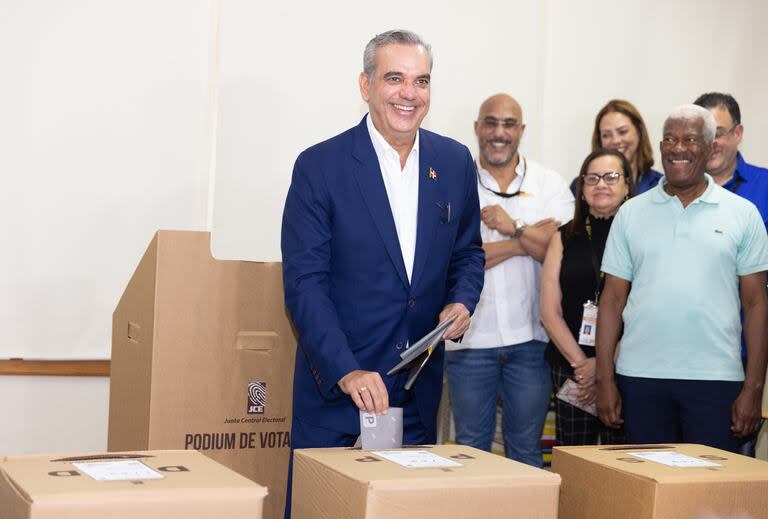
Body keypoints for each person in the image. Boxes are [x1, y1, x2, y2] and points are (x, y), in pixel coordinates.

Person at [281, 27, 484, 467]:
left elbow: (468, 253)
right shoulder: (320, 166)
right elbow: (304, 285)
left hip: (418, 396)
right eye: (395, 78)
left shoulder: (454, 162)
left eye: (422, 81)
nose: (409, 93)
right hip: (340, 395)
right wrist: (345, 370)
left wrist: (463, 300)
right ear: (366, 85)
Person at [595, 105, 768, 453]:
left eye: (690, 139)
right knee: (648, 494)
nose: (678, 148)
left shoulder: (743, 214)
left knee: (710, 498)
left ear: (708, 147)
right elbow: (612, 300)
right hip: (640, 376)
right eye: (670, 139)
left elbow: (756, 304)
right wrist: (605, 380)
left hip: (717, 379)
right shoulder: (631, 213)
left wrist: (753, 389)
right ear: (660, 147)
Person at [445, 93, 573, 467]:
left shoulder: (548, 182)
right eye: (490, 122)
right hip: (469, 341)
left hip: (530, 342)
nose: (498, 133)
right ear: (476, 128)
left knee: (526, 450)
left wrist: (510, 226)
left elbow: (563, 248)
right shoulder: (455, 181)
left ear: (521, 130)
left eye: (508, 124)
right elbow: (456, 258)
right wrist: (529, 240)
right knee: (469, 449)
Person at [541, 148, 632, 446]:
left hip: (625, 363)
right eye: (592, 178)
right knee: (575, 459)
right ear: (581, 189)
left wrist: (603, 365)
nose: (601, 184)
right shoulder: (563, 236)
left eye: (611, 177)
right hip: (571, 368)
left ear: (627, 186)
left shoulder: (639, 236)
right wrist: (584, 366)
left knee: (622, 459)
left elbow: (644, 309)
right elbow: (549, 311)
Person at [694, 92, 768, 456]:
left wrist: (754, 385)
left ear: (739, 133)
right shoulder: (666, 194)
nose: (712, 142)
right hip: (688, 359)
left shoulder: (765, 188)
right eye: (702, 132)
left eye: (719, 132)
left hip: (748, 354)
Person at [693, 93, 768, 228]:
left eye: (717, 134)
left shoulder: (764, 184)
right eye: (702, 135)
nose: (710, 143)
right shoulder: (678, 188)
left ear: (737, 133)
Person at [570, 100, 661, 196]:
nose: (615, 140)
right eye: (606, 135)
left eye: (623, 131)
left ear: (639, 131)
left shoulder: (660, 186)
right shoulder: (580, 186)